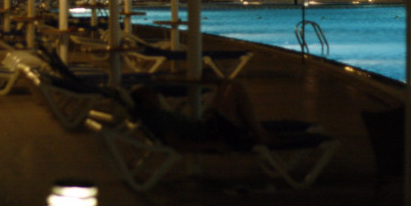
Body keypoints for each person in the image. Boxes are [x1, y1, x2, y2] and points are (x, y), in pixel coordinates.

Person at [130, 80, 315, 152]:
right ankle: (261, 135)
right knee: (235, 88)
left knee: (226, 86)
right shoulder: (157, 118)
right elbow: (176, 144)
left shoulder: (153, 114)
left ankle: (256, 130)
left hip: (208, 125)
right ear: (145, 104)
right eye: (151, 94)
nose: (156, 95)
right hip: (214, 133)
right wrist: (211, 145)